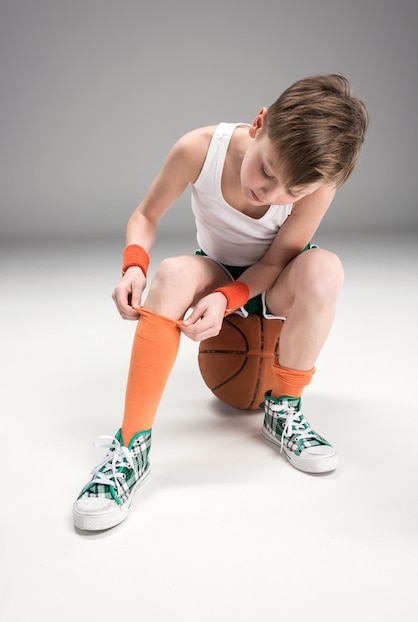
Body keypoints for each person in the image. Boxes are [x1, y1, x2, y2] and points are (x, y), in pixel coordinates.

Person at [73, 74, 368, 532]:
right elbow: (145, 215)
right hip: (215, 265)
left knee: (324, 269)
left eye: (293, 192)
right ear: (259, 123)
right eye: (268, 171)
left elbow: (274, 263)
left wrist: (230, 300)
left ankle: (284, 409)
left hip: (272, 278)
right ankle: (132, 444)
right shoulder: (199, 149)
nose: (272, 195)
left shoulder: (317, 184)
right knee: (170, 274)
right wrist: (134, 266)